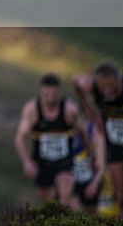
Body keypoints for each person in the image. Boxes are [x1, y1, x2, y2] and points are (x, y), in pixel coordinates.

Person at [13, 73, 88, 209]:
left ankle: (70, 225)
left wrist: (90, 153)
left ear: (59, 92)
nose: (49, 99)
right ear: (41, 92)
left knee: (65, 192)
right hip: (42, 161)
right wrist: (27, 162)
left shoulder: (70, 109)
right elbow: (19, 138)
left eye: (53, 95)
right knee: (47, 202)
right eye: (46, 95)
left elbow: (83, 132)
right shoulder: (32, 110)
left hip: (64, 159)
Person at [74, 60, 123, 219]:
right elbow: (76, 81)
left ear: (119, 79)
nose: (107, 91)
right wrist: (91, 111)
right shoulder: (94, 87)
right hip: (116, 145)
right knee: (121, 197)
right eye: (102, 87)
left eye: (111, 86)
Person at [71, 120, 106, 214]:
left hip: (90, 179)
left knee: (92, 216)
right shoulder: (67, 128)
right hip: (72, 181)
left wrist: (94, 184)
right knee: (73, 214)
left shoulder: (95, 129)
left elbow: (101, 164)